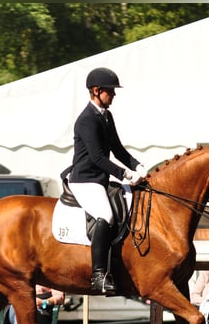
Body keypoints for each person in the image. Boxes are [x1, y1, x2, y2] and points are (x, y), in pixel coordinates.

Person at [63, 67, 148, 294]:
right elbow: (98, 157)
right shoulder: (86, 120)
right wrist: (126, 175)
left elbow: (117, 149)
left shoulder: (106, 116)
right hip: (85, 181)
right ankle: (98, 275)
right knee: (106, 215)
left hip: (99, 180)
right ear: (96, 90)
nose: (114, 95)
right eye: (110, 91)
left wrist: (138, 166)